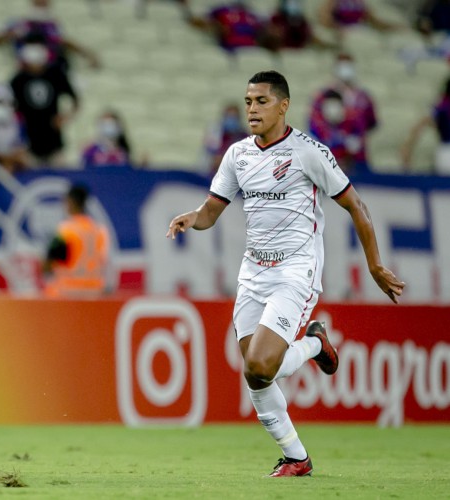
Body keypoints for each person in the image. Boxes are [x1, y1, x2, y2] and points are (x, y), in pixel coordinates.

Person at [166, 71, 404, 477]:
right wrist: (193, 218)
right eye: (247, 101)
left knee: (259, 366)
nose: (252, 109)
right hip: (252, 274)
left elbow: (357, 207)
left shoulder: (309, 152)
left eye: (260, 101)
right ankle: (297, 456)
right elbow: (212, 210)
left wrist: (374, 264)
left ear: (283, 105)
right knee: (257, 374)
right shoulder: (237, 155)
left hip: (296, 271)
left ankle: (313, 345)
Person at [10, 34, 79, 166]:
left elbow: (75, 99)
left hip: (55, 143)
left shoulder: (55, 74)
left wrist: (65, 117)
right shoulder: (18, 80)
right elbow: (11, 109)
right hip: (29, 144)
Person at [0, 0, 100, 72]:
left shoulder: (52, 25)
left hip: (50, 70)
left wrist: (87, 54)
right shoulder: (21, 22)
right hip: (25, 70)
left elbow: (63, 41)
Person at [309, 52, 377, 170]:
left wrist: (355, 134)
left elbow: (371, 123)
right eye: (342, 64)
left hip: (358, 155)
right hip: (330, 155)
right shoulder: (323, 95)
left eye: (348, 64)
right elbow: (314, 123)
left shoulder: (363, 96)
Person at [43, 184, 109, 297]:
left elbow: (48, 262)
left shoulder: (65, 231)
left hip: (66, 293)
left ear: (71, 202)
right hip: (94, 294)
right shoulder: (99, 231)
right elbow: (105, 262)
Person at [309, 89, 370, 174]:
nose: (330, 111)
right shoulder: (317, 126)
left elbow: (355, 149)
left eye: (334, 106)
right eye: (327, 107)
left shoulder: (353, 122)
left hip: (355, 172)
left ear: (342, 107)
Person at [401, 77, 450, 174]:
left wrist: (408, 147)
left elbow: (420, 125)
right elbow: (422, 124)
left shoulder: (441, 106)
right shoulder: (442, 106)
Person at [202, 103, 248, 172]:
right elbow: (210, 154)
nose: (231, 120)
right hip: (211, 172)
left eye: (234, 117)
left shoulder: (244, 137)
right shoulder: (215, 132)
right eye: (229, 117)